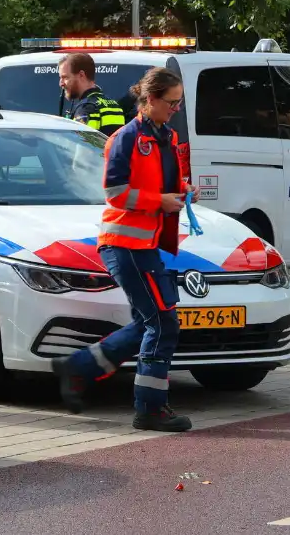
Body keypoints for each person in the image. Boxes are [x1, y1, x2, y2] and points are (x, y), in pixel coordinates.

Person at [51, 66, 197, 432]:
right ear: (149, 100)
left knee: (146, 323)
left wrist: (181, 191)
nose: (175, 109)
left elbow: (163, 185)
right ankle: (149, 409)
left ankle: (78, 367)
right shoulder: (125, 138)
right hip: (124, 243)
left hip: (143, 244)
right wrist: (159, 201)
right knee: (163, 325)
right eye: (171, 102)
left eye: (179, 103)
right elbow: (114, 192)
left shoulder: (166, 136)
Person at [58, 52, 128, 136]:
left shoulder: (86, 108)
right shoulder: (114, 105)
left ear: (81, 75)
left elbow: (81, 146)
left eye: (65, 77)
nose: (61, 83)